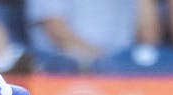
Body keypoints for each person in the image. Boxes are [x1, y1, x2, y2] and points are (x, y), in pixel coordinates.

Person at [25, 0, 163, 72]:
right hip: (66, 66)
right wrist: (103, 62)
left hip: (123, 68)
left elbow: (150, 39)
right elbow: (56, 30)